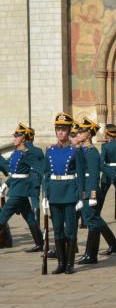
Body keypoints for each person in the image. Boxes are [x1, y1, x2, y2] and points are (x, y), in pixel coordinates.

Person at [42, 113, 85, 274]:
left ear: (69, 131)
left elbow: (80, 174)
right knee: (58, 229)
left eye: (63, 129)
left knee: (71, 230)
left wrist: (81, 196)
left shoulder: (75, 150)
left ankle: (70, 264)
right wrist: (45, 196)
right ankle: (61, 262)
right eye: (58, 129)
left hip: (69, 193)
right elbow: (46, 174)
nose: (60, 132)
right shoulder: (50, 151)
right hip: (54, 192)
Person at [77, 117, 116, 265]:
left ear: (89, 134)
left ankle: (90, 254)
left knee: (91, 220)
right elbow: (102, 167)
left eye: (82, 131)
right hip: (83, 189)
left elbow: (94, 175)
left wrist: (92, 195)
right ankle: (113, 245)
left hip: (90, 190)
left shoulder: (91, 152)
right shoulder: (84, 150)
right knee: (95, 219)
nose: (79, 133)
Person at [0, 123, 44, 252]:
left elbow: (40, 168)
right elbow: (12, 172)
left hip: (19, 191)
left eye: (17, 136)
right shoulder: (16, 153)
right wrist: (6, 184)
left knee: (2, 216)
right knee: (30, 217)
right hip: (16, 188)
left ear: (23, 138)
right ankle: (40, 243)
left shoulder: (27, 153)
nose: (14, 138)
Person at [25, 128, 44, 226]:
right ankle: (36, 224)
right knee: (35, 201)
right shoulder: (38, 151)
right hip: (34, 178)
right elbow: (43, 167)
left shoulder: (21, 150)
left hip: (22, 180)